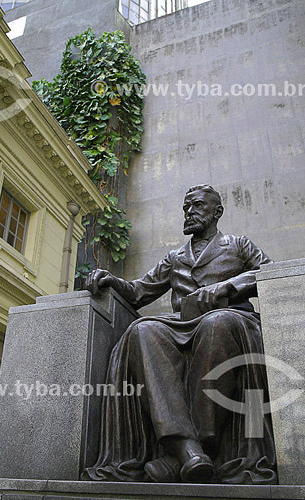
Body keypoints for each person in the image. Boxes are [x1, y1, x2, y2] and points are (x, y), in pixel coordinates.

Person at [83, 184, 277, 484]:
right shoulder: (175, 257)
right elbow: (138, 292)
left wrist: (228, 286)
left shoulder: (238, 245)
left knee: (217, 323)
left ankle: (190, 452)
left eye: (197, 206)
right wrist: (112, 281)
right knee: (144, 329)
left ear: (217, 212)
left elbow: (269, 271)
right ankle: (189, 450)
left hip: (231, 319)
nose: (189, 212)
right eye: (186, 207)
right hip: (182, 325)